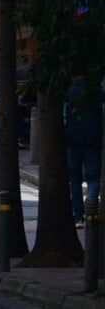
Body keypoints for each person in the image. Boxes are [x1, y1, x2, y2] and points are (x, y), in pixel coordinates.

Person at [67, 79, 105, 222]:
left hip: (73, 141)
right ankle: (91, 211)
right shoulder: (95, 91)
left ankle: (79, 216)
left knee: (75, 179)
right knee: (93, 178)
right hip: (92, 141)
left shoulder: (69, 91)